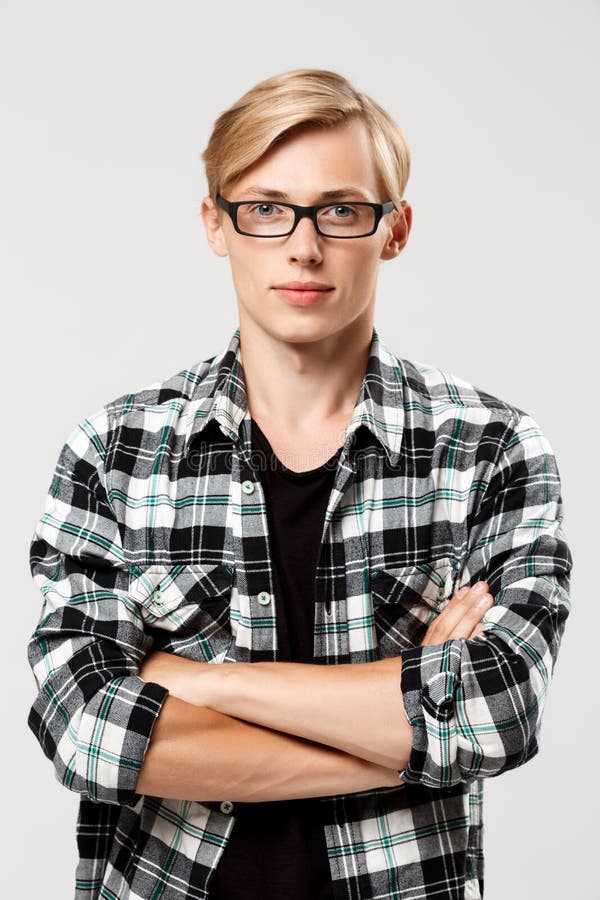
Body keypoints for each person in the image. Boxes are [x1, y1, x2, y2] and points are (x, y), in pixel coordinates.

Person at [26, 68, 572, 900]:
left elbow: (498, 712)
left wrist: (199, 680)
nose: (303, 245)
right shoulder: (114, 452)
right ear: (217, 223)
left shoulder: (489, 450)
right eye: (267, 208)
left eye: (341, 210)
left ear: (395, 230)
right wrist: (411, 725)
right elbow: (89, 738)